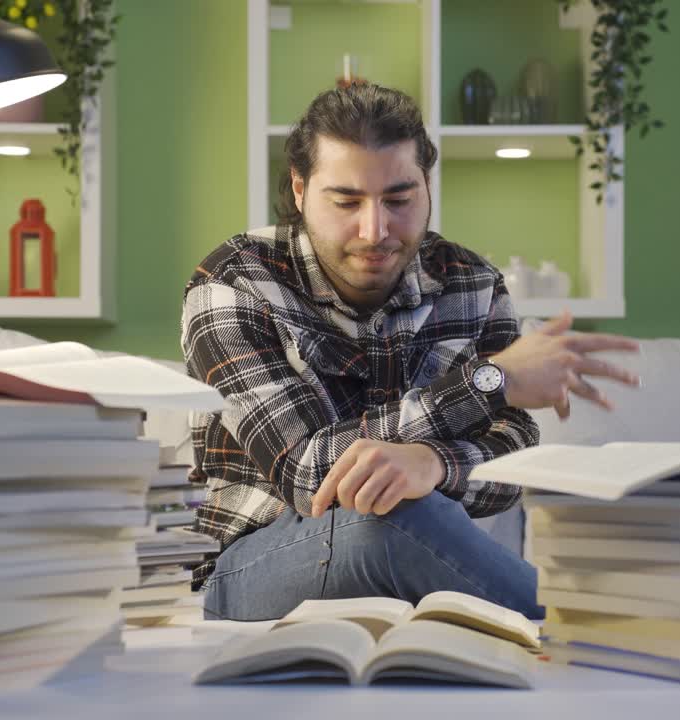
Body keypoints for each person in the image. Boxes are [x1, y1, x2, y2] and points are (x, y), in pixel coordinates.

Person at [181, 83, 640, 621]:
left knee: (406, 507)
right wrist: (485, 383)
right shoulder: (235, 282)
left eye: (399, 200)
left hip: (415, 551)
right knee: (390, 518)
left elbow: (512, 460)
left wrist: (434, 464)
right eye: (346, 201)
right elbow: (309, 476)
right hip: (251, 564)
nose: (375, 230)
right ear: (301, 190)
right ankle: (601, 628)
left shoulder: (471, 281)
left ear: (428, 185)